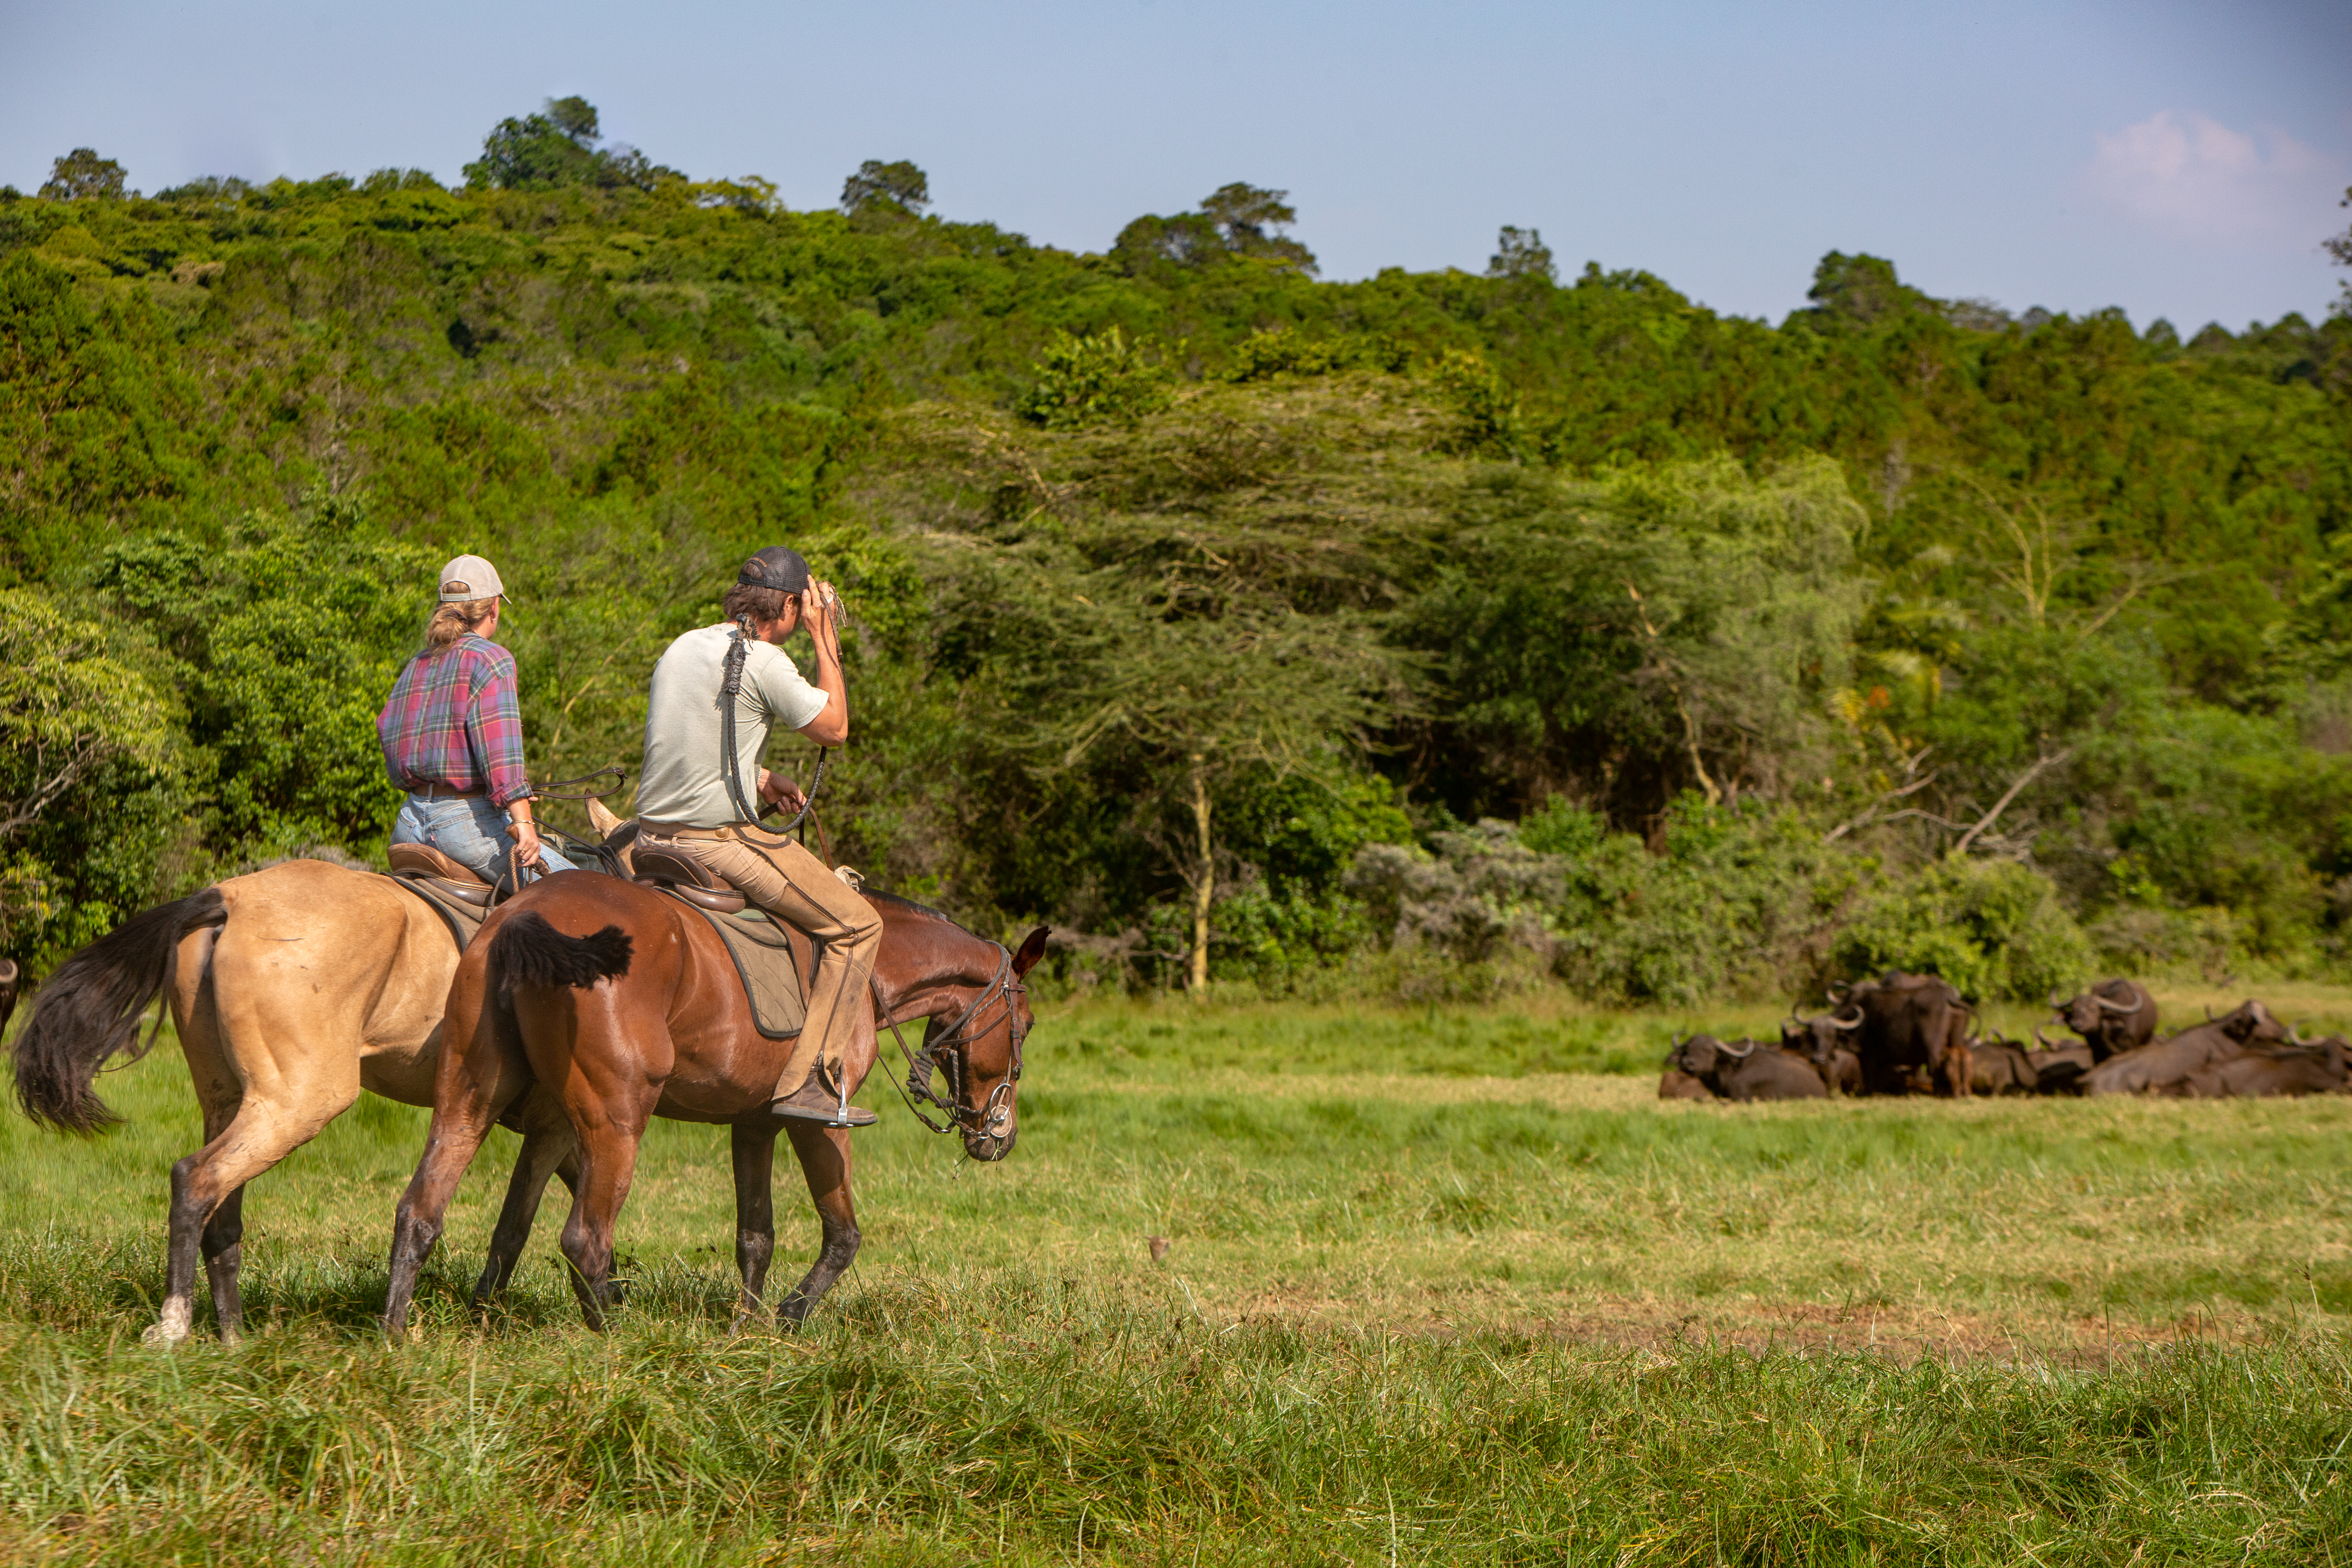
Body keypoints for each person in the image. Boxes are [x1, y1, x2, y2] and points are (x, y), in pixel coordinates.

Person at [633, 547, 881, 1127]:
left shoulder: (683, 645)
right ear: (790, 606)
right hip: (713, 840)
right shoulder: (766, 661)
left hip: (648, 835)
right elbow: (835, 729)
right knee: (860, 926)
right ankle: (812, 1082)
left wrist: (760, 778)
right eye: (803, 607)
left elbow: (692, 738)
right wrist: (824, 636)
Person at [378, 554, 576, 886]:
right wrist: (524, 821)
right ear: (494, 608)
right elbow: (501, 754)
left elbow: (389, 735)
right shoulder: (492, 659)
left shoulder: (416, 664)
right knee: (590, 892)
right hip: (465, 827)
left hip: (408, 824)